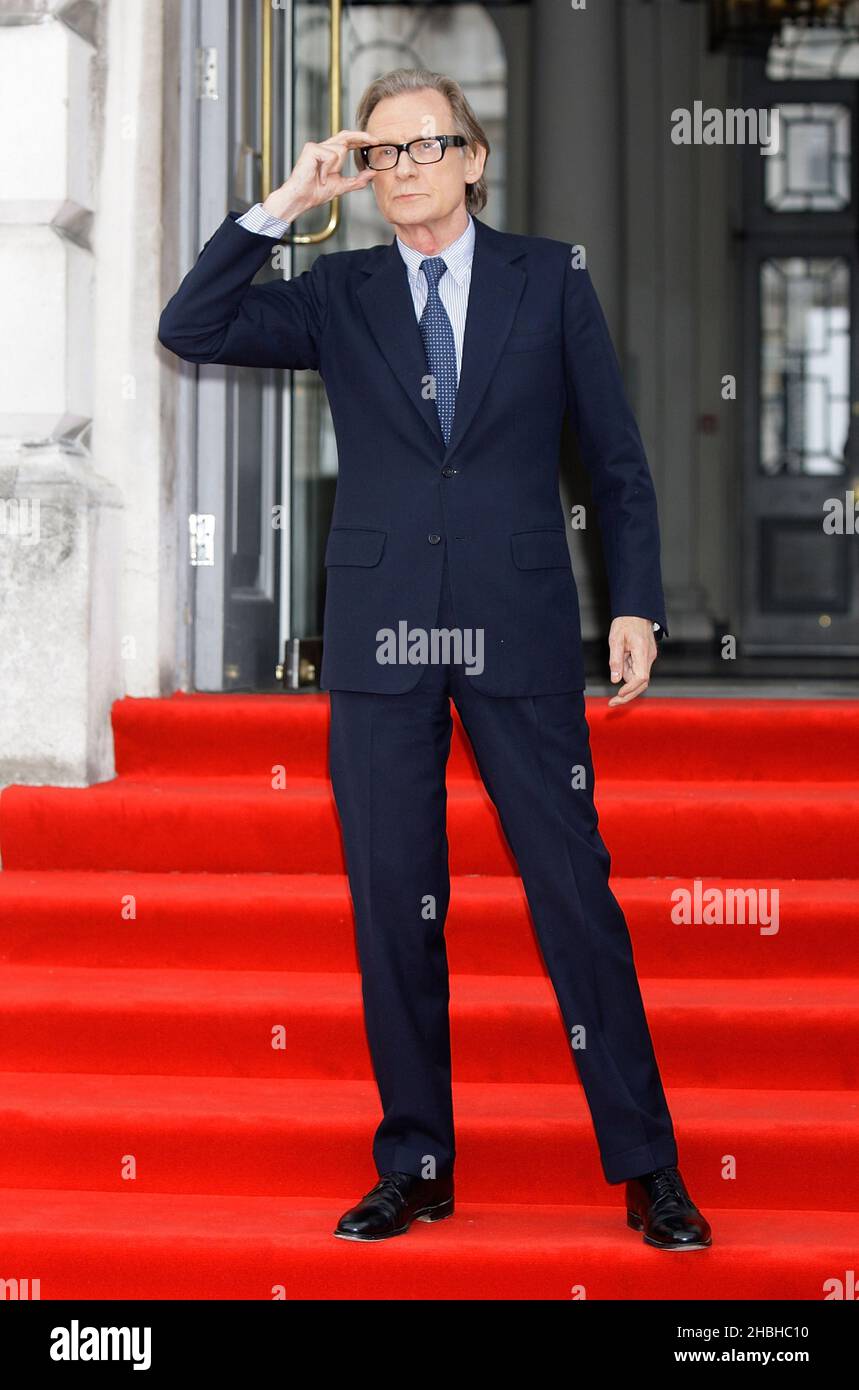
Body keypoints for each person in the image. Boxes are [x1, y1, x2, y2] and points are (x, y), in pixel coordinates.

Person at [159, 66, 712, 1252]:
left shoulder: (547, 278)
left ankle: (650, 1167)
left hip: (515, 622)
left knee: (572, 895)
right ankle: (415, 1162)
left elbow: (613, 455)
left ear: (474, 158)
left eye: (428, 146)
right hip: (379, 633)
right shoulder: (339, 290)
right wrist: (286, 199)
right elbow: (189, 325)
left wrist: (639, 604)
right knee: (391, 908)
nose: (404, 167)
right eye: (383, 151)